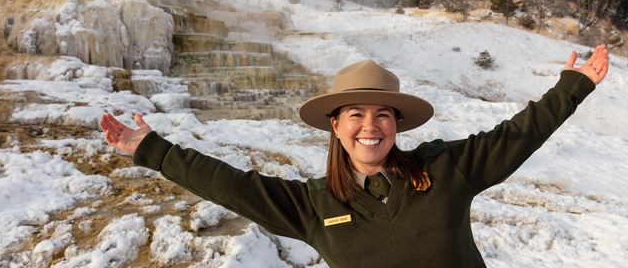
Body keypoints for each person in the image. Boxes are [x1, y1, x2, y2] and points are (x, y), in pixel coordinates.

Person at [99, 44, 609, 268]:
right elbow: (231, 184)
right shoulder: (311, 206)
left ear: (397, 124)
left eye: (383, 114)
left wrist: (572, 87)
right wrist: (152, 149)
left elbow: (516, 135)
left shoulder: (445, 170)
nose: (371, 126)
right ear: (336, 125)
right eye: (356, 115)